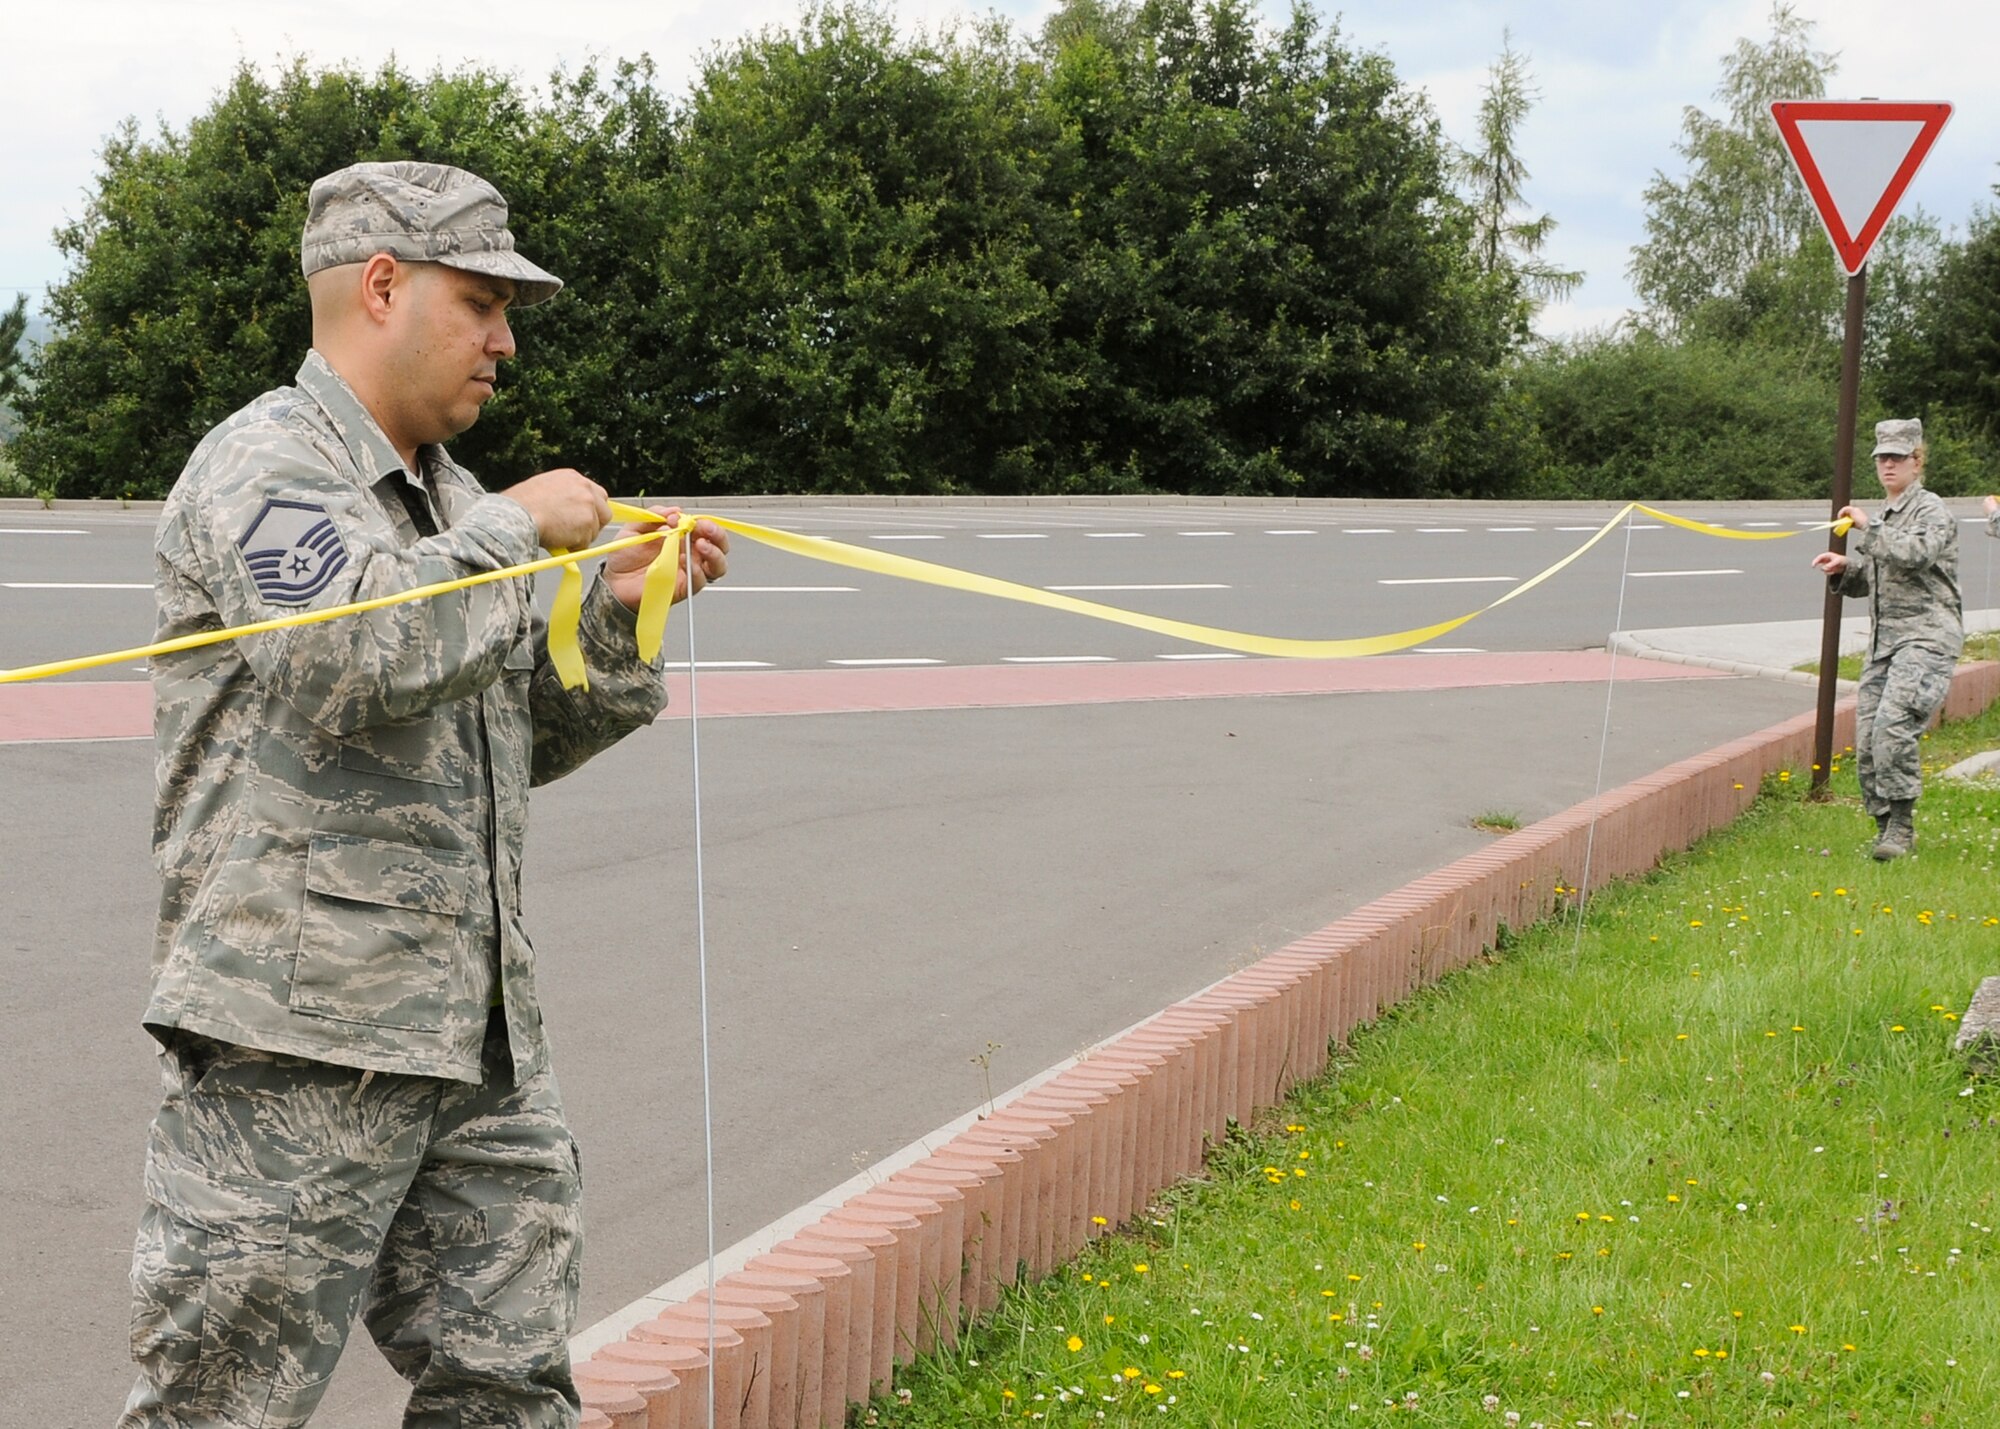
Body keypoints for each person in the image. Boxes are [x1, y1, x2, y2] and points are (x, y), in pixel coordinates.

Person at [120, 161, 729, 1427]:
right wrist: (515, 531)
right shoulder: (267, 465)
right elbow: (342, 653)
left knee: (506, 1391)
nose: (505, 342)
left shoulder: (447, 502)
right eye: (480, 302)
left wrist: (616, 620)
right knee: (219, 1407)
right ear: (382, 285)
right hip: (297, 1044)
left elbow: (497, 741)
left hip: (476, 1045)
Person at [1810, 417, 1960, 861]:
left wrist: (1865, 529)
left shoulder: (1931, 511)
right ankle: (1883, 829)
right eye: (1882, 458)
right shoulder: (1886, 515)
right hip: (1885, 643)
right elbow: (1883, 580)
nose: (1888, 465)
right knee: (1870, 738)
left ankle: (1901, 827)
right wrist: (1845, 571)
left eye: (1897, 457)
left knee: (1894, 729)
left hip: (1927, 639)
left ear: (1917, 462)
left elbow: (1915, 555)